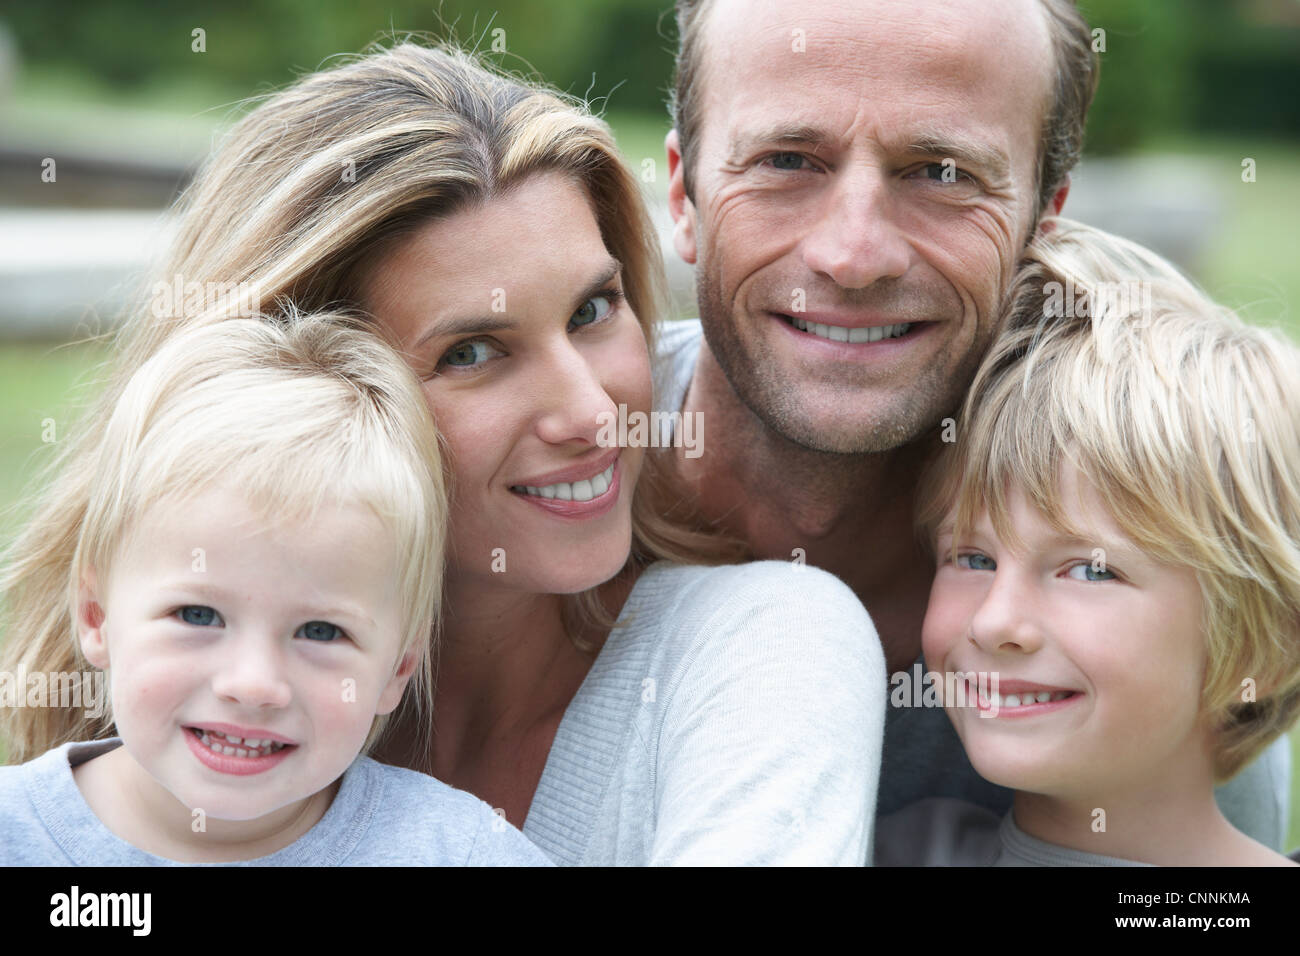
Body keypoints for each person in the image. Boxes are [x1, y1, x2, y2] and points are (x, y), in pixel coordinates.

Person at [0, 43, 885, 865]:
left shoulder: (757, 651)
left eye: (591, 310)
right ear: (293, 389)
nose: (591, 411)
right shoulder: (114, 765)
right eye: (471, 352)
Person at [656, 0, 1290, 851]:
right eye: (786, 160)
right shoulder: (517, 497)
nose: (853, 254)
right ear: (683, 194)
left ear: (1045, 213)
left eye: (942, 172)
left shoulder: (1166, 572)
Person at [0, 312, 552, 865]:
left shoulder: (458, 853)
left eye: (320, 631)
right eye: (197, 615)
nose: (254, 684)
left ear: (398, 667)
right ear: (96, 617)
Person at [875, 220, 1300, 866]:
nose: (996, 622)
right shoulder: (888, 849)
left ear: (1270, 645)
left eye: (1089, 571)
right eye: (973, 559)